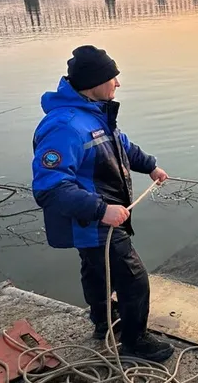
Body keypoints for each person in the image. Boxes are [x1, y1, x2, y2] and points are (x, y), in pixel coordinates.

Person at [31, 45, 174, 363]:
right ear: (93, 82)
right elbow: (49, 187)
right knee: (133, 277)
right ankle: (135, 341)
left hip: (105, 219)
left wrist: (150, 165)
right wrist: (101, 210)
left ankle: (104, 322)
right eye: (113, 77)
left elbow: (121, 146)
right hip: (92, 223)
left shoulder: (94, 112)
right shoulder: (64, 126)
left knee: (96, 272)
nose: (118, 83)